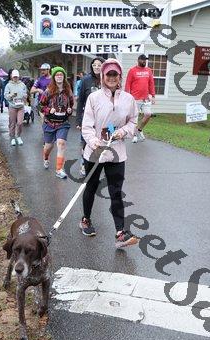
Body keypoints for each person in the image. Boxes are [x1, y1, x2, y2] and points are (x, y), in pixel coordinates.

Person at [79, 58, 139, 248]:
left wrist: (124, 131)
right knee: (91, 187)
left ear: (120, 76)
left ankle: (120, 233)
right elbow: (86, 126)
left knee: (116, 192)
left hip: (116, 152)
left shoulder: (128, 99)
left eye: (115, 74)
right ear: (103, 76)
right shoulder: (94, 97)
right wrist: (93, 141)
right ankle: (86, 219)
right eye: (108, 74)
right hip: (95, 151)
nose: (112, 77)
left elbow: (133, 121)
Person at [40, 66, 74, 179]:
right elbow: (40, 106)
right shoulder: (48, 91)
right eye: (57, 75)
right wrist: (49, 110)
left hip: (63, 123)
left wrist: (69, 110)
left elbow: (71, 104)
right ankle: (46, 157)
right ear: (54, 77)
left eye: (61, 75)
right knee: (48, 146)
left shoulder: (68, 91)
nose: (59, 76)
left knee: (61, 143)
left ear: (64, 77)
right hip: (49, 123)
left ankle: (59, 169)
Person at [76, 57, 105, 177]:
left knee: (103, 141)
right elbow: (80, 101)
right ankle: (84, 164)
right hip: (88, 117)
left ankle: (100, 165)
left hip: (104, 118)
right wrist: (79, 120)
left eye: (99, 65)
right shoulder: (85, 80)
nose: (97, 67)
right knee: (86, 141)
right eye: (94, 65)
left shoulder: (107, 79)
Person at [124, 54, 155, 143]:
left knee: (148, 114)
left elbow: (151, 83)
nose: (144, 61)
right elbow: (128, 84)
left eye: (145, 60)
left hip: (146, 99)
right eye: (142, 60)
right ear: (138, 60)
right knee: (135, 118)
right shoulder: (132, 70)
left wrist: (153, 95)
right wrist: (127, 97)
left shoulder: (149, 70)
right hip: (135, 98)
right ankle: (134, 135)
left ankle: (139, 130)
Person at [3, 69, 27, 146]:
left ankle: (18, 136)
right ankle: (12, 138)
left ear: (18, 77)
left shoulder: (22, 84)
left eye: (16, 77)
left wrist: (25, 96)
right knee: (12, 123)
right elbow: (5, 96)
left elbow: (25, 93)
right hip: (12, 106)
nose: (15, 78)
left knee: (20, 123)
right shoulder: (8, 85)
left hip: (21, 106)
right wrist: (11, 95)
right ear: (12, 77)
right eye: (14, 77)